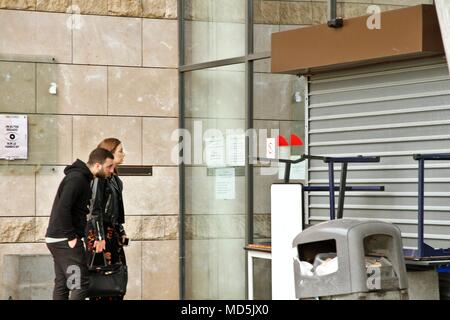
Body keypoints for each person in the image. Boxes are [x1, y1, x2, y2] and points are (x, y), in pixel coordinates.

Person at [45, 148, 115, 300]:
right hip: (64, 240)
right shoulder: (77, 179)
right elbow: (63, 208)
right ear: (97, 165)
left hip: (58, 239)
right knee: (80, 284)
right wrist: (71, 237)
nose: (112, 170)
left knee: (63, 283)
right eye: (109, 166)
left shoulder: (81, 178)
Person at [86, 138, 128, 300]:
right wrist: (99, 236)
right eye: (120, 151)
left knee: (117, 275)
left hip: (112, 232)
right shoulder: (100, 177)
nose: (123, 154)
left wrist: (121, 230)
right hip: (100, 233)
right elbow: (94, 208)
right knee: (102, 275)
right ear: (109, 154)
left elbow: (116, 209)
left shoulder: (115, 179)